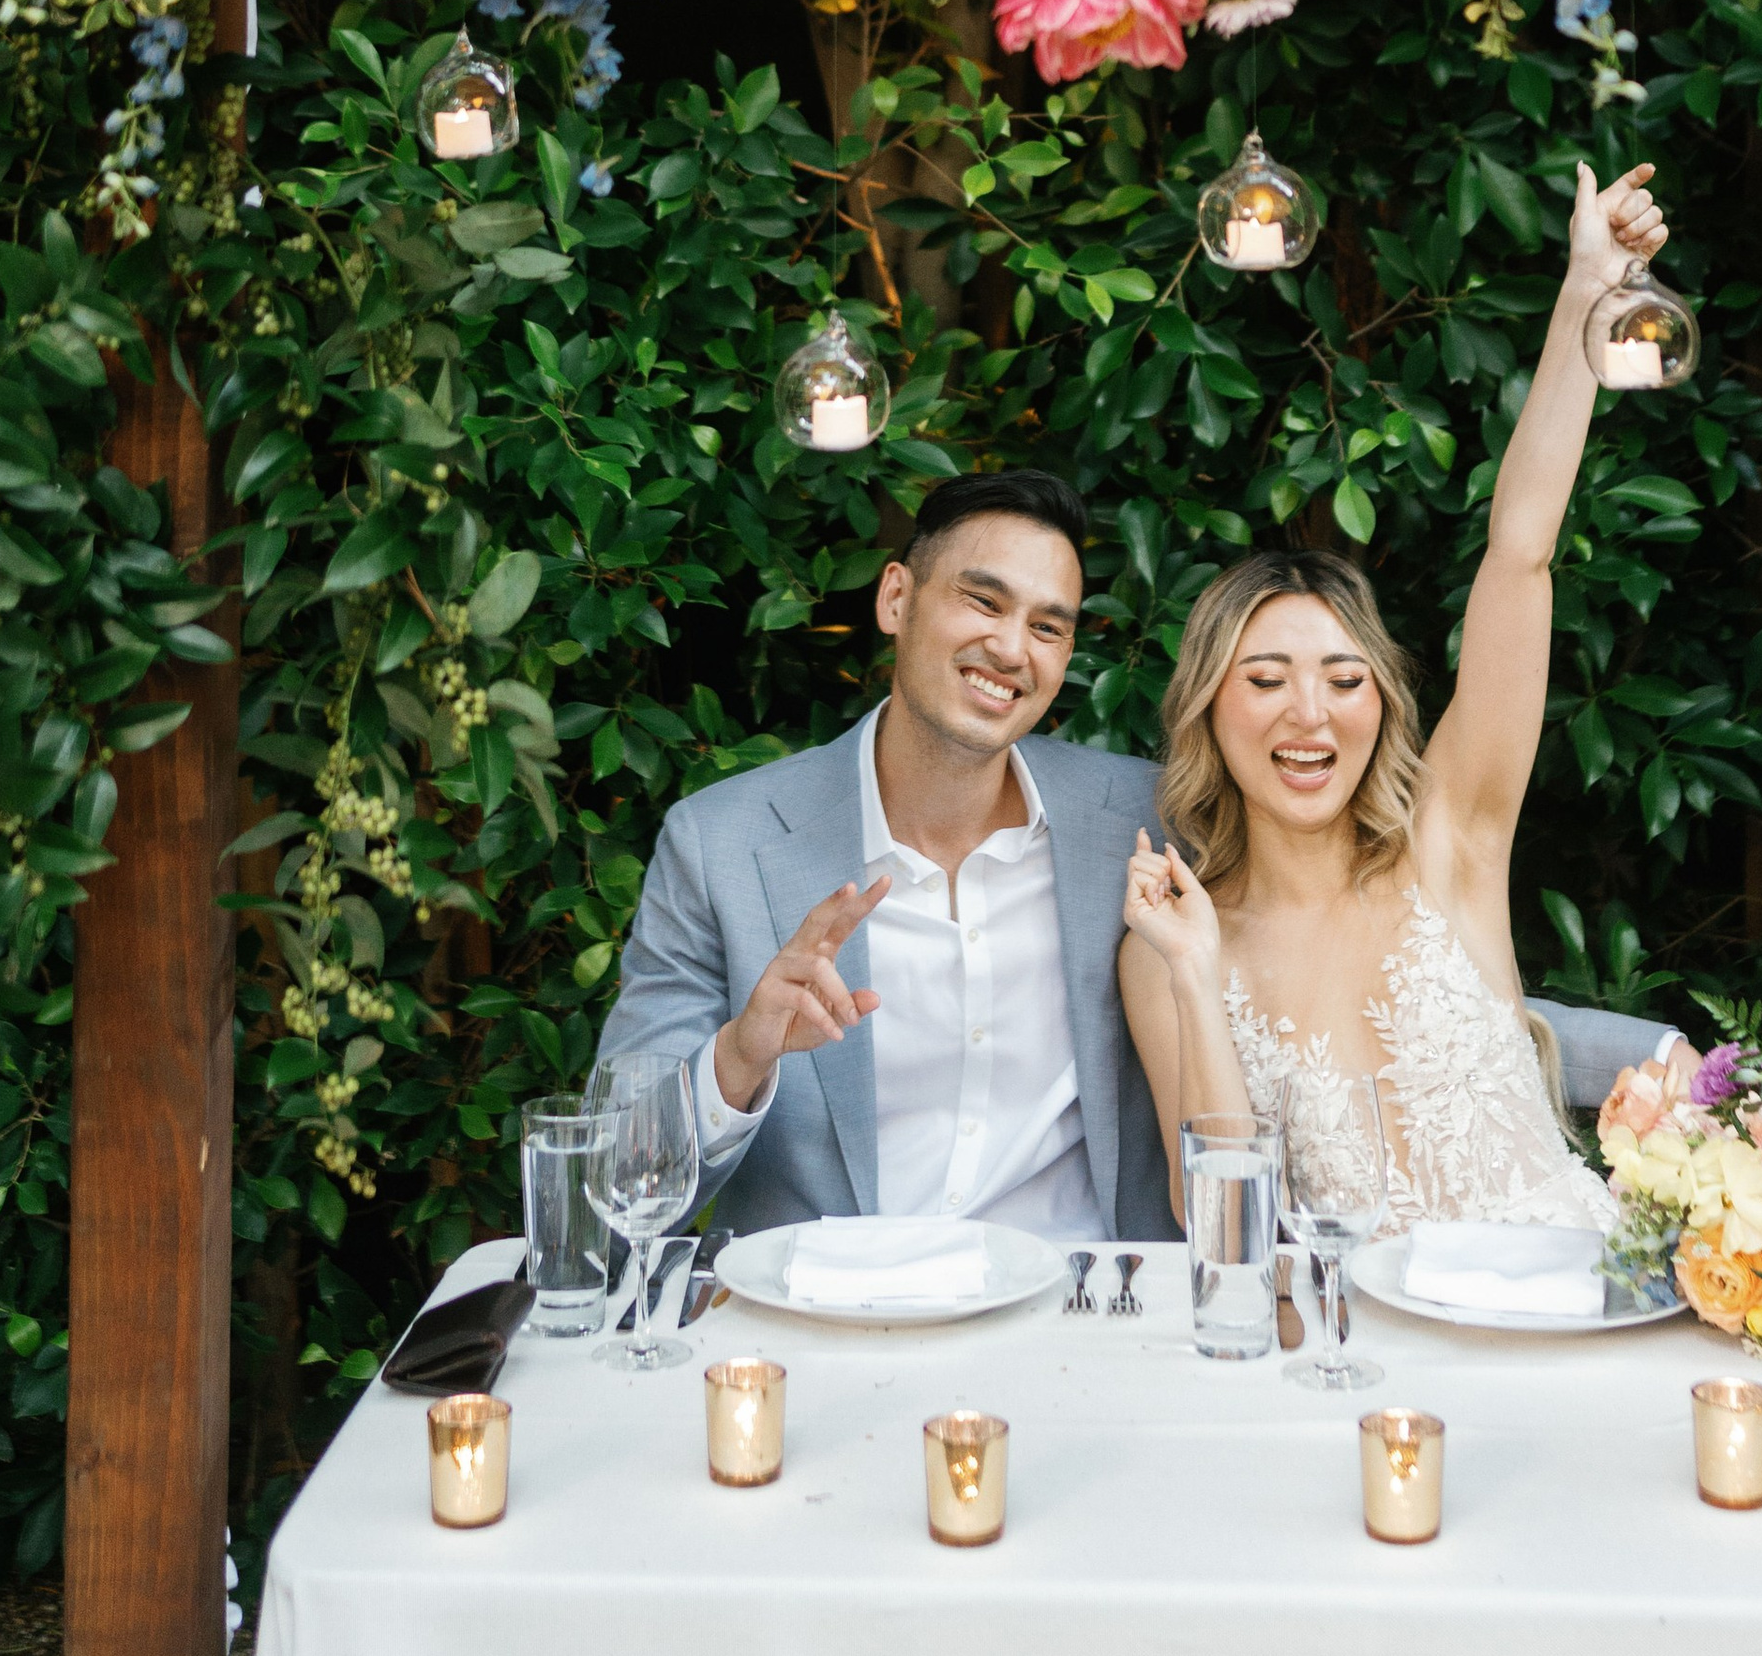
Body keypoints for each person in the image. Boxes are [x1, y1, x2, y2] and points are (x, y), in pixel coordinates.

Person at [1119, 158, 1672, 1231]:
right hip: (1364, 1376)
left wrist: (1582, 298)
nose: (1308, 714)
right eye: (1265, 680)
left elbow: (1518, 557)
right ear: (1208, 710)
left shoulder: (1450, 838)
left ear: (1380, 704)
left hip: (1574, 1328)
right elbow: (1224, 1244)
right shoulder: (1172, 948)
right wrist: (1193, 977)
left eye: (1342, 679)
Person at [601, 465, 1168, 1238]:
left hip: (1076, 1318)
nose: (1009, 648)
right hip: (827, 1326)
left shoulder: (1146, 821)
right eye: (983, 601)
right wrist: (740, 1057)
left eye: (1047, 627)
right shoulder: (720, 844)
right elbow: (618, 1167)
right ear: (895, 597)